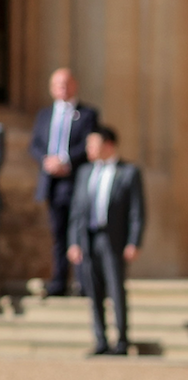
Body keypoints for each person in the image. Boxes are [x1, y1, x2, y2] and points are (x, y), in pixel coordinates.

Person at [66, 127, 144, 355]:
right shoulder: (84, 172)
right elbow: (76, 212)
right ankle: (100, 340)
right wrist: (74, 242)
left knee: (116, 289)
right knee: (93, 291)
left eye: (93, 144)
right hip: (88, 239)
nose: (88, 149)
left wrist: (134, 242)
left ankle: (121, 340)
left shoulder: (128, 172)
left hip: (114, 240)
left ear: (108, 145)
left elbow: (137, 212)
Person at [29, 68, 98, 296]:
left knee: (78, 232)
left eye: (66, 83)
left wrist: (65, 160)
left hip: (76, 180)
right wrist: (46, 161)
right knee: (58, 233)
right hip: (52, 183)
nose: (62, 88)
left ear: (74, 85)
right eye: (57, 84)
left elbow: (90, 145)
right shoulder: (44, 115)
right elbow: (36, 144)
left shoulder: (87, 114)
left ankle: (82, 282)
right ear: (51, 88)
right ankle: (59, 282)